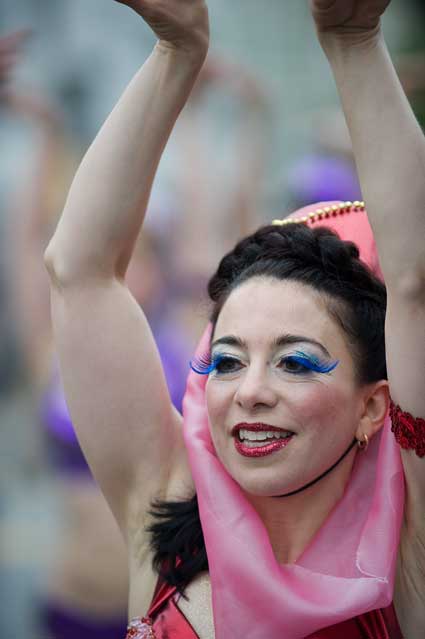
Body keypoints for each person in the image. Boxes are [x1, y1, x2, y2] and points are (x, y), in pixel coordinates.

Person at [44, 1, 425, 638]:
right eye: (226, 360)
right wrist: (176, 53)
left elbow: (414, 281)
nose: (250, 391)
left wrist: (355, 43)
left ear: (373, 405)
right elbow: (80, 272)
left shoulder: (405, 555)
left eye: (295, 361)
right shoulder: (162, 510)